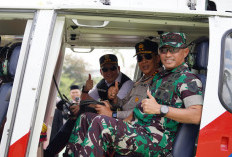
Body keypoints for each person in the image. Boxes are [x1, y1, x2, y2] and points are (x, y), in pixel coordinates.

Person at [63, 32, 203, 157]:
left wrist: (160, 109)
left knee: (102, 123)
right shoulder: (159, 78)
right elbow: (137, 112)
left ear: (185, 52)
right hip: (138, 129)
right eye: (164, 50)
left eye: (173, 50)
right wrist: (117, 120)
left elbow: (196, 115)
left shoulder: (189, 79)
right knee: (85, 118)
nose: (168, 55)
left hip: (157, 141)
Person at [95, 39, 162, 119]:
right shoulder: (140, 81)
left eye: (148, 57)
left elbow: (142, 112)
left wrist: (112, 114)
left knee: (96, 120)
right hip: (125, 121)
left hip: (137, 125)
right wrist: (114, 98)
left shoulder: (161, 81)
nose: (144, 61)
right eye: (140, 58)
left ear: (157, 58)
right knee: (86, 116)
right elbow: (123, 103)